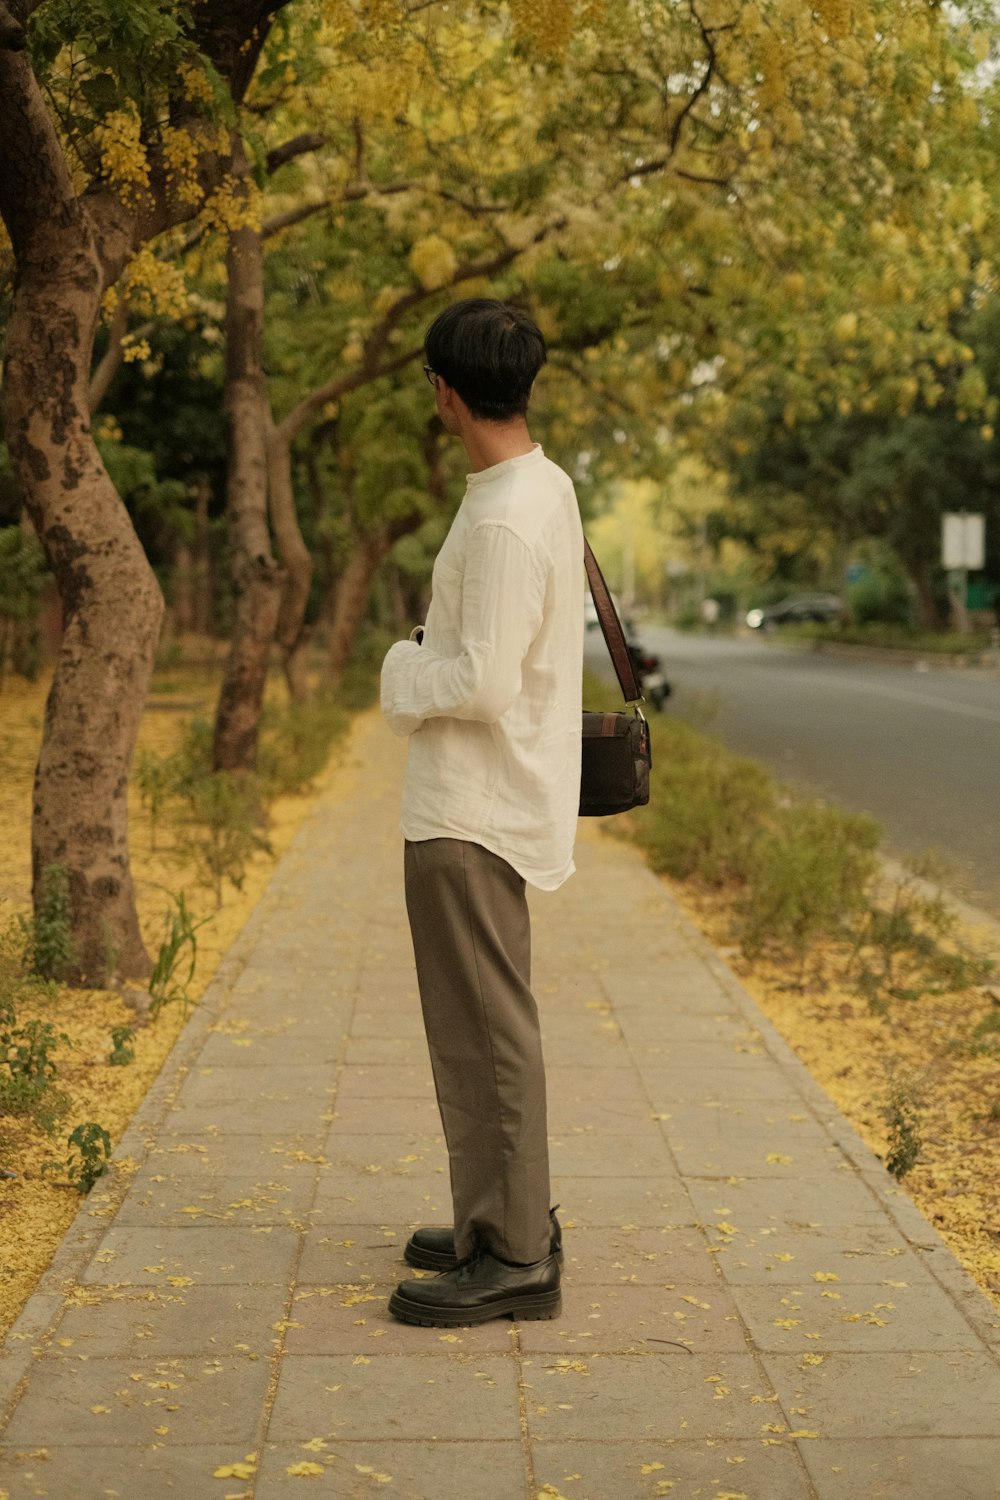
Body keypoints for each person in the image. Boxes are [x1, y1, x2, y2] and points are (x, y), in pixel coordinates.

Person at [379, 297, 583, 1327]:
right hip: (491, 797)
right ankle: (493, 1215)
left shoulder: (503, 515)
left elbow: (484, 679)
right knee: (481, 1028)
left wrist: (398, 672)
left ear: (446, 394)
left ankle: (512, 1254)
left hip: (470, 804)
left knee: (482, 1034)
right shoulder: (534, 484)